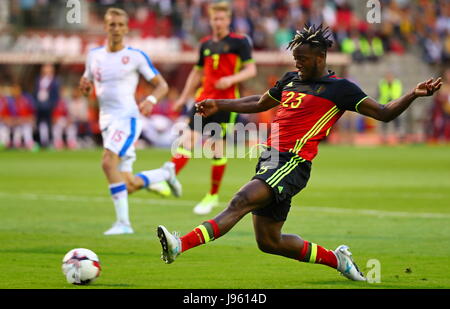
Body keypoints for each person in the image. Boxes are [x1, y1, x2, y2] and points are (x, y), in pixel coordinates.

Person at [157, 24, 442, 281]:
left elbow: (383, 112)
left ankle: (180, 244)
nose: (298, 64)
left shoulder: (340, 89)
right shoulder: (290, 79)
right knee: (269, 242)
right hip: (270, 159)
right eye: (296, 59)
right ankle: (338, 260)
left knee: (241, 200)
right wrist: (219, 103)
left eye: (302, 59)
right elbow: (258, 102)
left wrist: (413, 94)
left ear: (320, 58)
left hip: (293, 162)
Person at [79, 8, 182, 235]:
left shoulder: (135, 56)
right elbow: (87, 81)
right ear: (105, 27)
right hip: (106, 121)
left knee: (107, 163)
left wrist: (151, 99)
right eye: (111, 24)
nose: (115, 29)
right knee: (128, 184)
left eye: (119, 25)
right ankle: (165, 173)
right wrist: (85, 87)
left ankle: (124, 224)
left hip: (127, 118)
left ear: (126, 28)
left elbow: (162, 85)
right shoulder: (94, 55)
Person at [152, 1, 257, 215]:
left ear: (228, 20)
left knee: (215, 148)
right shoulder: (206, 44)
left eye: (221, 18)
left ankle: (212, 195)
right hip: (202, 100)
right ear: (210, 20)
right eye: (214, 18)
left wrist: (231, 79)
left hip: (226, 103)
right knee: (187, 140)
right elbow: (197, 72)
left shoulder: (239, 42)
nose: (218, 22)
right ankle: (166, 181)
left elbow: (251, 70)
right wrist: (183, 98)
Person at [33, 63, 60, 148]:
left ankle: (49, 142)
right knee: (39, 124)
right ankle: (39, 142)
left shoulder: (55, 81)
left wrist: (51, 104)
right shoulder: (39, 80)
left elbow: (56, 95)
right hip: (39, 105)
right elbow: (36, 92)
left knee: (49, 124)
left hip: (49, 106)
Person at [377, 72, 404, 144]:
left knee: (397, 120)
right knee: (384, 121)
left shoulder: (397, 83)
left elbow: (399, 94)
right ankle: (384, 137)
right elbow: (379, 94)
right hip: (384, 105)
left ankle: (399, 136)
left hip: (395, 104)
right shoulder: (382, 83)